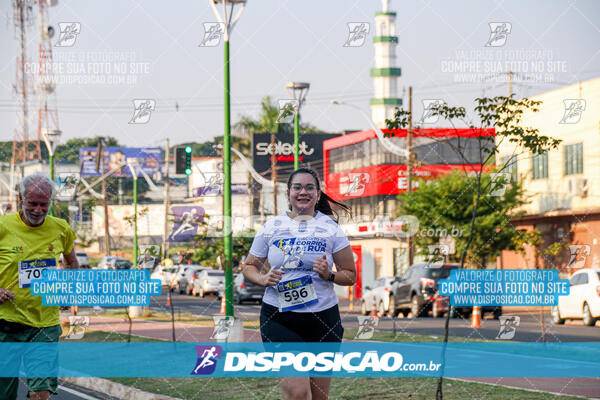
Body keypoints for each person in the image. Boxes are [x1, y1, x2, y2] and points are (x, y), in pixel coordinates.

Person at [243, 167, 356, 400]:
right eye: (297, 187)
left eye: (309, 187)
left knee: (319, 397)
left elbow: (350, 274)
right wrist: (263, 278)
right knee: (297, 393)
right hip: (280, 318)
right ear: (288, 192)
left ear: (318, 193)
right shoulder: (271, 227)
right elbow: (249, 267)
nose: (303, 192)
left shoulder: (330, 228)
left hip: (323, 320)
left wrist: (329, 275)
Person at [0, 173, 79, 400]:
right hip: (6, 322)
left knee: (40, 391)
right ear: (20, 199)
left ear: (51, 202)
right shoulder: (3, 227)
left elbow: (71, 261)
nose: (37, 210)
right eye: (32, 204)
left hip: (44, 324)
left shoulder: (60, 228)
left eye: (44, 204)